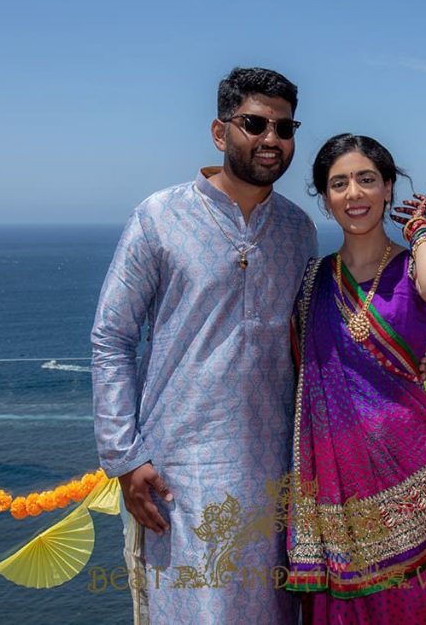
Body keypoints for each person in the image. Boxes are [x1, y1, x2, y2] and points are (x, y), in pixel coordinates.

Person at [91, 67, 317, 624]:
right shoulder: (159, 217)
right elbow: (112, 337)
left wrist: (396, 359)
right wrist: (125, 456)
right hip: (179, 474)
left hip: (275, 474)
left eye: (284, 128)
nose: (271, 139)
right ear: (220, 133)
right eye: (255, 123)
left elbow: (314, 337)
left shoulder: (298, 229)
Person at [286, 134, 426, 623]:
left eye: (367, 180)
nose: (354, 194)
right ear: (326, 199)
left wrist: (421, 229)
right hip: (337, 481)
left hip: (408, 463)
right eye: (339, 184)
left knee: (420, 592)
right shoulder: (313, 280)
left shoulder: (413, 267)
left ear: (388, 188)